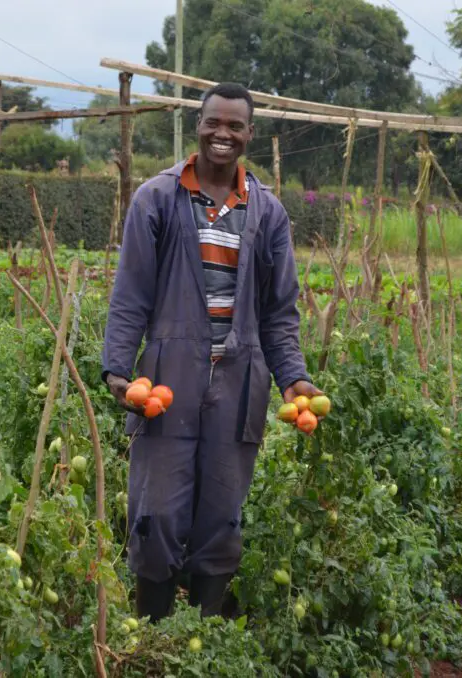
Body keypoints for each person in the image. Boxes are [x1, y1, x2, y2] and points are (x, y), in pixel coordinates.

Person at [101, 82, 326, 623]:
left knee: (221, 517)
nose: (222, 134)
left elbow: (279, 311)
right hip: (166, 381)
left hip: (239, 383)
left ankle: (204, 643)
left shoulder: (267, 213)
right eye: (213, 123)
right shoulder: (157, 198)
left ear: (250, 134)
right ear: (197, 126)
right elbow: (130, 293)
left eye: (235, 126)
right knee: (156, 515)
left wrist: (292, 377)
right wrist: (116, 371)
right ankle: (154, 636)